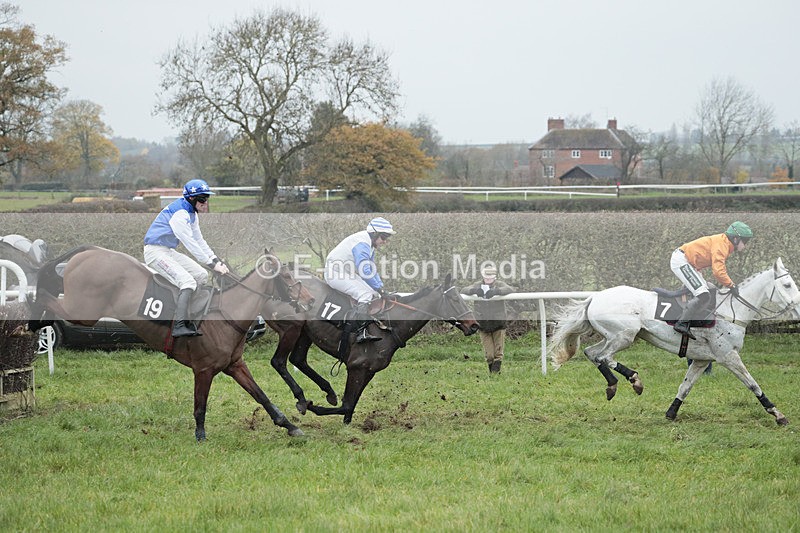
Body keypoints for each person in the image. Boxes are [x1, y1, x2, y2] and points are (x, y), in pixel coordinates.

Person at [144, 179, 230, 337]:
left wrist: (216, 260)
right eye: (202, 199)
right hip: (155, 252)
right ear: (191, 198)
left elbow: (200, 241)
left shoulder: (192, 214)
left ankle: (189, 314)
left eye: (207, 198)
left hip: (167, 251)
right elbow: (191, 244)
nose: (206, 203)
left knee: (201, 275)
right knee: (188, 282)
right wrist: (211, 265)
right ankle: (179, 324)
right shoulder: (180, 214)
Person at [670, 221, 752, 340]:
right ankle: (681, 323)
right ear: (735, 239)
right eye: (744, 241)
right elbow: (718, 271)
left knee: (710, 290)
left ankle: (696, 322)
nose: (745, 244)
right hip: (682, 260)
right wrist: (731, 285)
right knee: (702, 294)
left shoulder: (724, 243)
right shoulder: (722, 245)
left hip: (690, 263)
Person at [324, 217, 395, 343]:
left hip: (345, 272)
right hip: (335, 274)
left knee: (375, 294)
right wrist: (379, 287)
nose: (385, 241)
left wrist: (380, 288)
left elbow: (371, 269)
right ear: (374, 234)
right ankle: (360, 332)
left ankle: (370, 325)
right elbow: (364, 270)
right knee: (366, 294)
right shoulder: (362, 243)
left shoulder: (369, 244)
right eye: (383, 237)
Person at [461, 265, 515, 374]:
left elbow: (509, 289)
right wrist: (474, 290)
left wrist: (496, 292)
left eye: (491, 276)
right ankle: (492, 372)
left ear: (494, 276)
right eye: (487, 276)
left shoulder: (499, 284)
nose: (488, 278)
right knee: (489, 353)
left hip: (498, 323)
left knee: (498, 352)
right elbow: (464, 290)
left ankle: (495, 374)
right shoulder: (478, 284)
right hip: (483, 324)